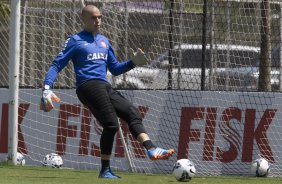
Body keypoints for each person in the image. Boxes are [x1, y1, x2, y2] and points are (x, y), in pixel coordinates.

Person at [40, 5, 174, 179]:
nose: (98, 21)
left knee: (133, 113)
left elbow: (115, 69)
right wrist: (47, 87)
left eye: (100, 17)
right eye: (93, 18)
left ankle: (152, 149)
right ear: (84, 20)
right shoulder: (75, 40)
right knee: (111, 124)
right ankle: (105, 170)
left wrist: (132, 62)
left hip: (104, 85)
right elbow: (56, 65)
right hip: (87, 86)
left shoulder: (104, 41)